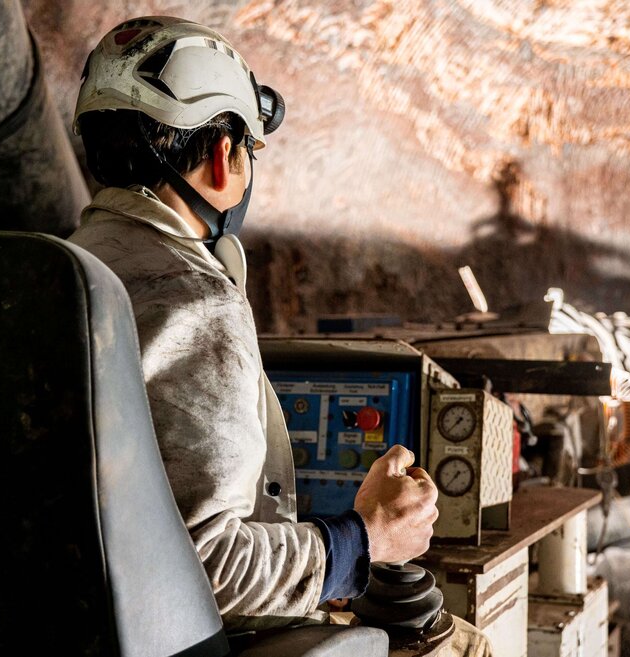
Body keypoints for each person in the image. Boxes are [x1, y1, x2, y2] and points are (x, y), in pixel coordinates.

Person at [69, 17, 490, 655]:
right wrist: (367, 538)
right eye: (249, 149)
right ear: (223, 155)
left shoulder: (69, 271)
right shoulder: (193, 298)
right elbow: (206, 567)